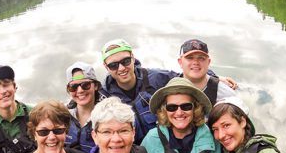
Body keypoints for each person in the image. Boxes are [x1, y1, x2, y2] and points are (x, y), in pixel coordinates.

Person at [100, 39, 236, 144]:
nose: (121, 68)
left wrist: (213, 78)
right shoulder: (103, 95)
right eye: (113, 65)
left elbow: (188, 75)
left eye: (125, 61)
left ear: (133, 58)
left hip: (163, 145)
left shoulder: (156, 78)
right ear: (106, 67)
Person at [178, 39, 238, 106]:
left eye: (201, 58)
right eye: (190, 58)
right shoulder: (167, 85)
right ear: (180, 62)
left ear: (208, 62)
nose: (195, 62)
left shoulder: (226, 95)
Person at [64, 61, 108, 153]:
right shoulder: (62, 116)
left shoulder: (109, 115)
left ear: (95, 86)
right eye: (73, 87)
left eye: (85, 85)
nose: (80, 91)